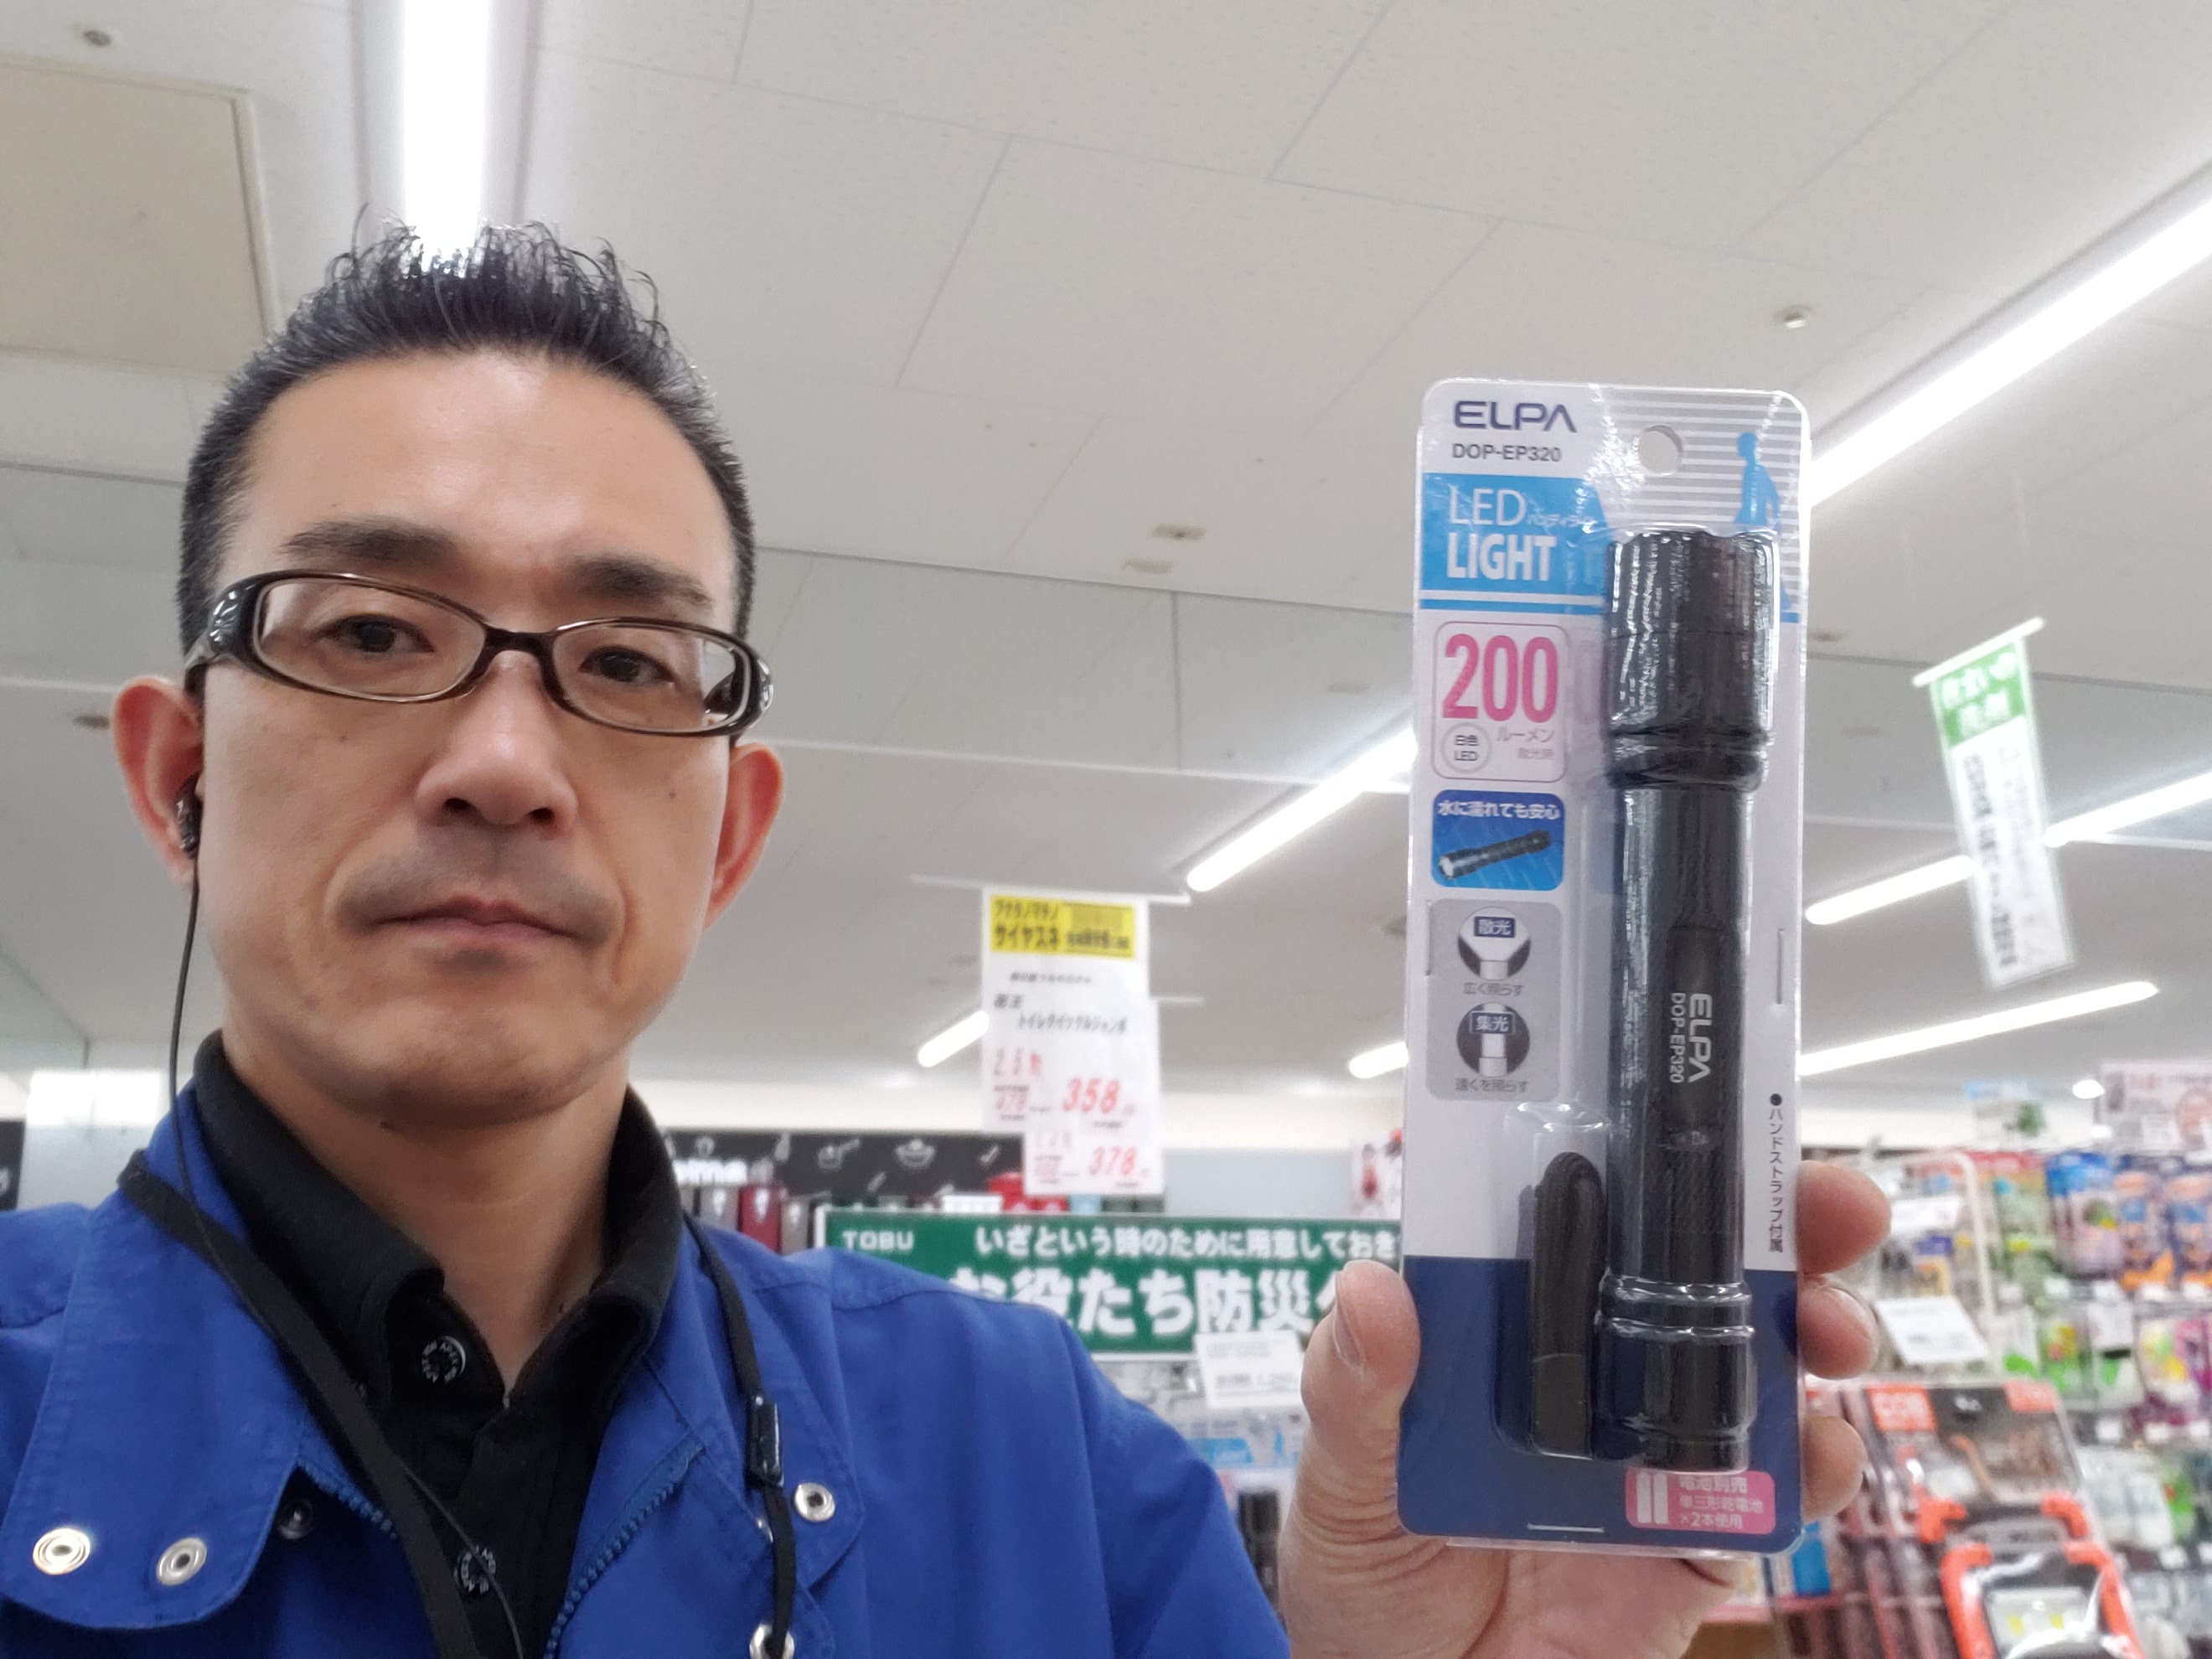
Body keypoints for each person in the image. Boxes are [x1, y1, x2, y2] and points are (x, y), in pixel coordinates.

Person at [0, 226, 1889, 1657]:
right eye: (367, 632)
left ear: (732, 836)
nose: (504, 761)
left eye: (630, 662)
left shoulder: (1038, 1457)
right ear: (177, 773)